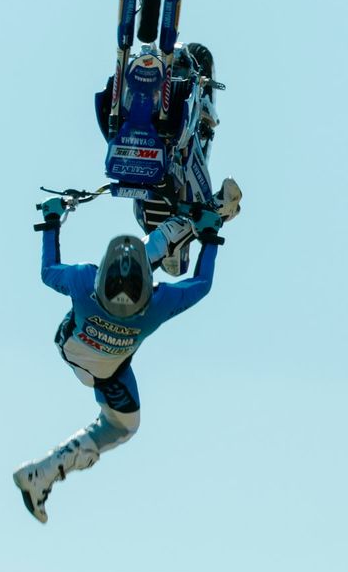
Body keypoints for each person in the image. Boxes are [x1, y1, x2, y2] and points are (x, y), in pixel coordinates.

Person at [11, 201, 228, 524]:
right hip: (109, 372)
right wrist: (209, 235)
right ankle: (44, 472)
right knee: (122, 426)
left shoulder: (85, 281)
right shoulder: (157, 305)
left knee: (122, 423)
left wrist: (53, 220)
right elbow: (201, 284)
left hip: (72, 346)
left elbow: (48, 272)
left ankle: (169, 232)